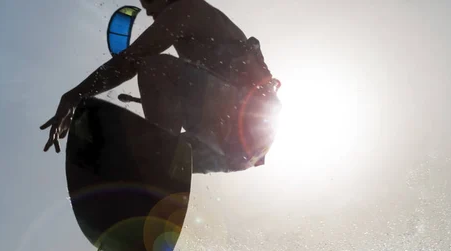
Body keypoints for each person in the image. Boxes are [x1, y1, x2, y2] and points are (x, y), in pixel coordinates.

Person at [40, 0, 281, 173]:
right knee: (143, 156)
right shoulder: (196, 22)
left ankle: (159, 162)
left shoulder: (186, 9)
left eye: (150, 3)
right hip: (239, 150)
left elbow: (130, 61)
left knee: (153, 67)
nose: (150, 13)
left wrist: (73, 95)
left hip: (244, 116)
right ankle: (156, 180)